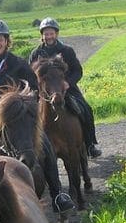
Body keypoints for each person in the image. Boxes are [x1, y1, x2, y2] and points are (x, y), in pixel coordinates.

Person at [0, 17, 76, 213]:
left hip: (17, 119)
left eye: (0, 39)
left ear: (6, 41)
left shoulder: (19, 64)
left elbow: (33, 91)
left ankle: (57, 194)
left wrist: (21, 106)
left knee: (45, 146)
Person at [28, 17, 102, 158]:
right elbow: (30, 74)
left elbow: (77, 71)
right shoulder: (36, 54)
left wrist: (68, 83)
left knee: (86, 109)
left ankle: (90, 143)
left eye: (51, 33)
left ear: (56, 34)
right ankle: (33, 148)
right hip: (43, 92)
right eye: (46, 34)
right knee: (28, 115)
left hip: (67, 89)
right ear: (42, 35)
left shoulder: (67, 51)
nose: (49, 36)